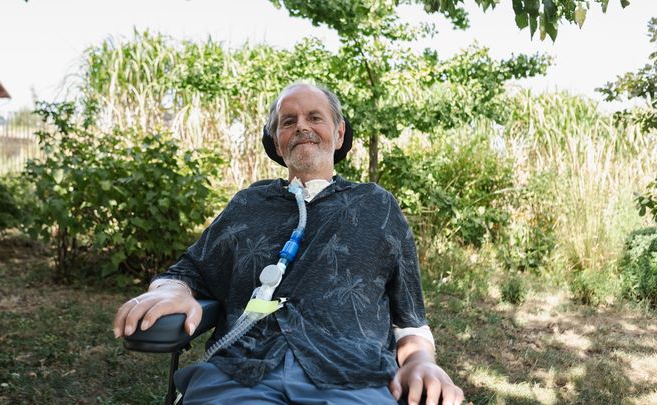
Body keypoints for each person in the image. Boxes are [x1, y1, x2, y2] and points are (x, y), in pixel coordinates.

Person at [113, 82, 464, 405]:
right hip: (240, 371)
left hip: (352, 376)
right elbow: (188, 271)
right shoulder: (248, 205)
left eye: (315, 117)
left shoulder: (376, 206)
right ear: (277, 142)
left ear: (339, 134)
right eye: (288, 121)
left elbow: (410, 318)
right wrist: (171, 289)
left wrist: (421, 362)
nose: (301, 127)